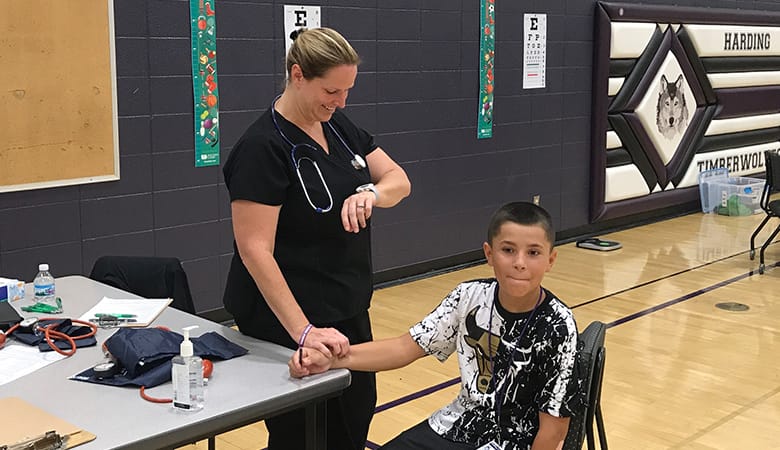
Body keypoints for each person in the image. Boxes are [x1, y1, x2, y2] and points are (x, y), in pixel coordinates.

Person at [222, 27, 411, 450]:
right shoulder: (261, 148)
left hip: (344, 302)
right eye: (332, 90)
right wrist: (303, 331)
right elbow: (254, 249)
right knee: (304, 431)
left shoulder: (337, 124)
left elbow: (399, 180)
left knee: (355, 411)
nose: (341, 101)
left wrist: (372, 193)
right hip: (289, 314)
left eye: (347, 91)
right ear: (297, 75)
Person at [290, 202, 583, 450]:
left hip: (514, 441)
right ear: (489, 254)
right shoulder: (468, 297)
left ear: (550, 260)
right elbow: (405, 347)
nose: (520, 263)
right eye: (508, 250)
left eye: (533, 253)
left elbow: (554, 429)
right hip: (457, 425)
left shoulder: (558, 325)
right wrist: (334, 359)